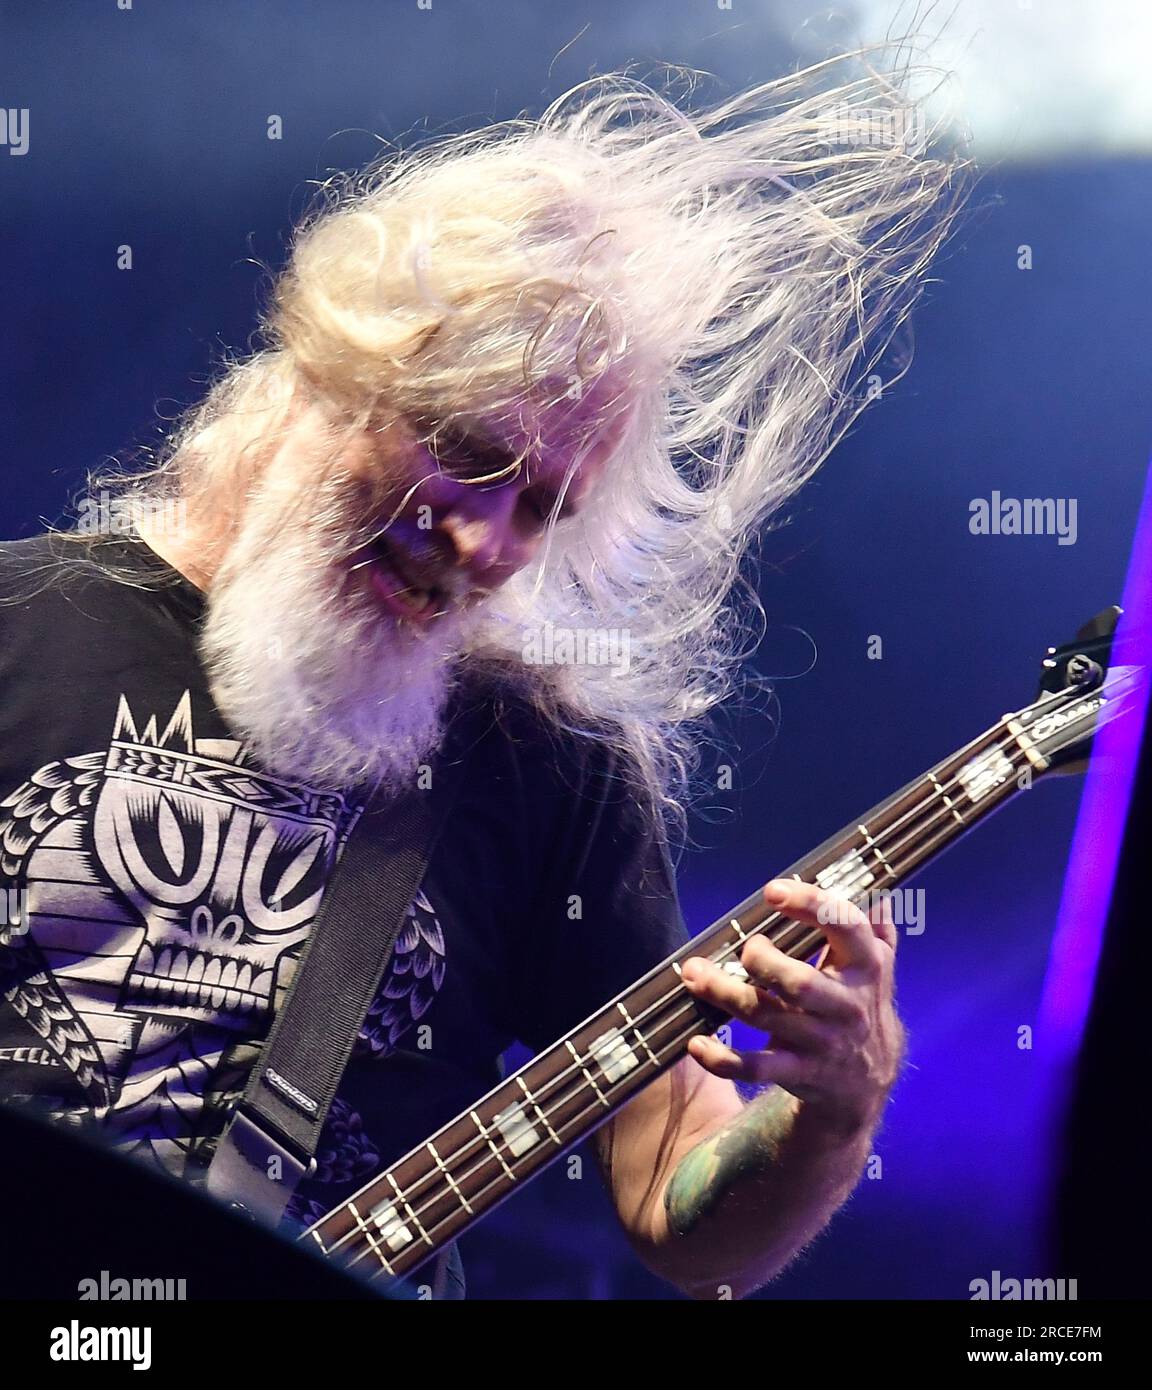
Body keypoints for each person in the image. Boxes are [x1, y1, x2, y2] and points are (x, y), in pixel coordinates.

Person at [0, 56, 959, 1299]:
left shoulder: (547, 771)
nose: (486, 544)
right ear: (338, 365)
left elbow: (683, 1213)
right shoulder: (19, 622)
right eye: (465, 451)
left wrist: (833, 1112)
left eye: (543, 507)